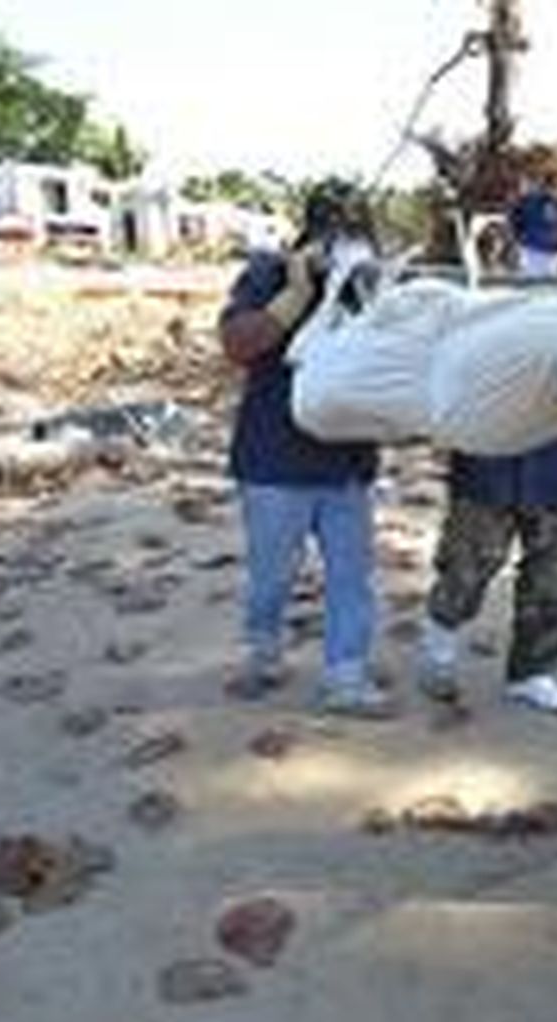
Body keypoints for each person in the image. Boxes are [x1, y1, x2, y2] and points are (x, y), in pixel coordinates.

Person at [218, 179, 393, 718]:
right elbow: (238, 344)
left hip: (346, 466)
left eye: (356, 234)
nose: (346, 245)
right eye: (335, 234)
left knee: (351, 577)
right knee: (272, 574)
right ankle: (263, 652)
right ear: (311, 235)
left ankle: (346, 675)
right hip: (275, 464)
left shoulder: (373, 289)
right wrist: (293, 296)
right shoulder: (269, 274)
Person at [417, 188, 557, 714]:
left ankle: (533, 673)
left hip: (554, 462)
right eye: (536, 245)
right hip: (487, 460)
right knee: (467, 567)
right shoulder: (476, 300)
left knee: (554, 577)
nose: (546, 256)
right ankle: (439, 651)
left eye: (554, 245)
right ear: (510, 243)